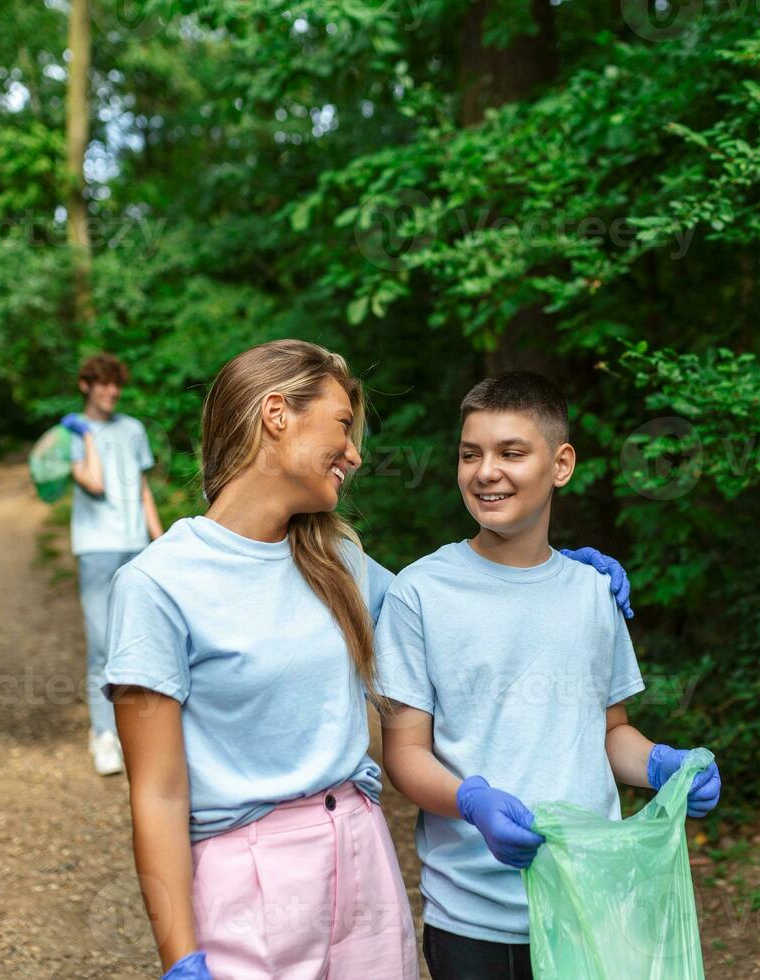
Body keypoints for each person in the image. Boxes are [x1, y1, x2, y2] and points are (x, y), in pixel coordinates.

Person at [102, 341, 631, 980]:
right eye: (343, 426)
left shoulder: (339, 563)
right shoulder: (157, 585)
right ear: (276, 414)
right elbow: (157, 794)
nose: (354, 453)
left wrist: (563, 570)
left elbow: (458, 599)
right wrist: (179, 954)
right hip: (247, 879)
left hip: (361, 857)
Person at [376, 371, 721, 980]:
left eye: (512, 452)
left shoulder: (595, 592)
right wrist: (470, 799)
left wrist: (662, 764)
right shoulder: (419, 592)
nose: (486, 471)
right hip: (475, 915)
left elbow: (611, 733)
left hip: (595, 898)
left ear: (561, 465)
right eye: (470, 454)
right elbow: (404, 752)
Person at [60, 352, 164, 776]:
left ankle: (143, 731)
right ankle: (104, 735)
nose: (112, 391)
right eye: (103, 384)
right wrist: (85, 435)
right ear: (86, 385)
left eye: (116, 384)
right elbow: (95, 483)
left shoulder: (133, 429)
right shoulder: (67, 435)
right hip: (96, 547)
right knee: (102, 644)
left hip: (136, 545)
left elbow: (140, 489)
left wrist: (160, 541)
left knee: (140, 641)